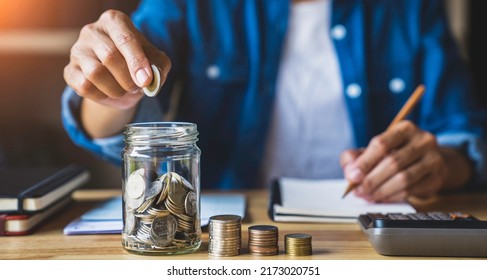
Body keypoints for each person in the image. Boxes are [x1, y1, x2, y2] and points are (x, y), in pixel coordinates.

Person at [61, 0, 487, 202]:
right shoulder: (188, 5)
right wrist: (112, 91)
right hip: (224, 244)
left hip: (368, 237)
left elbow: (464, 139)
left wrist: (434, 167)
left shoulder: (412, 9)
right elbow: (99, 125)